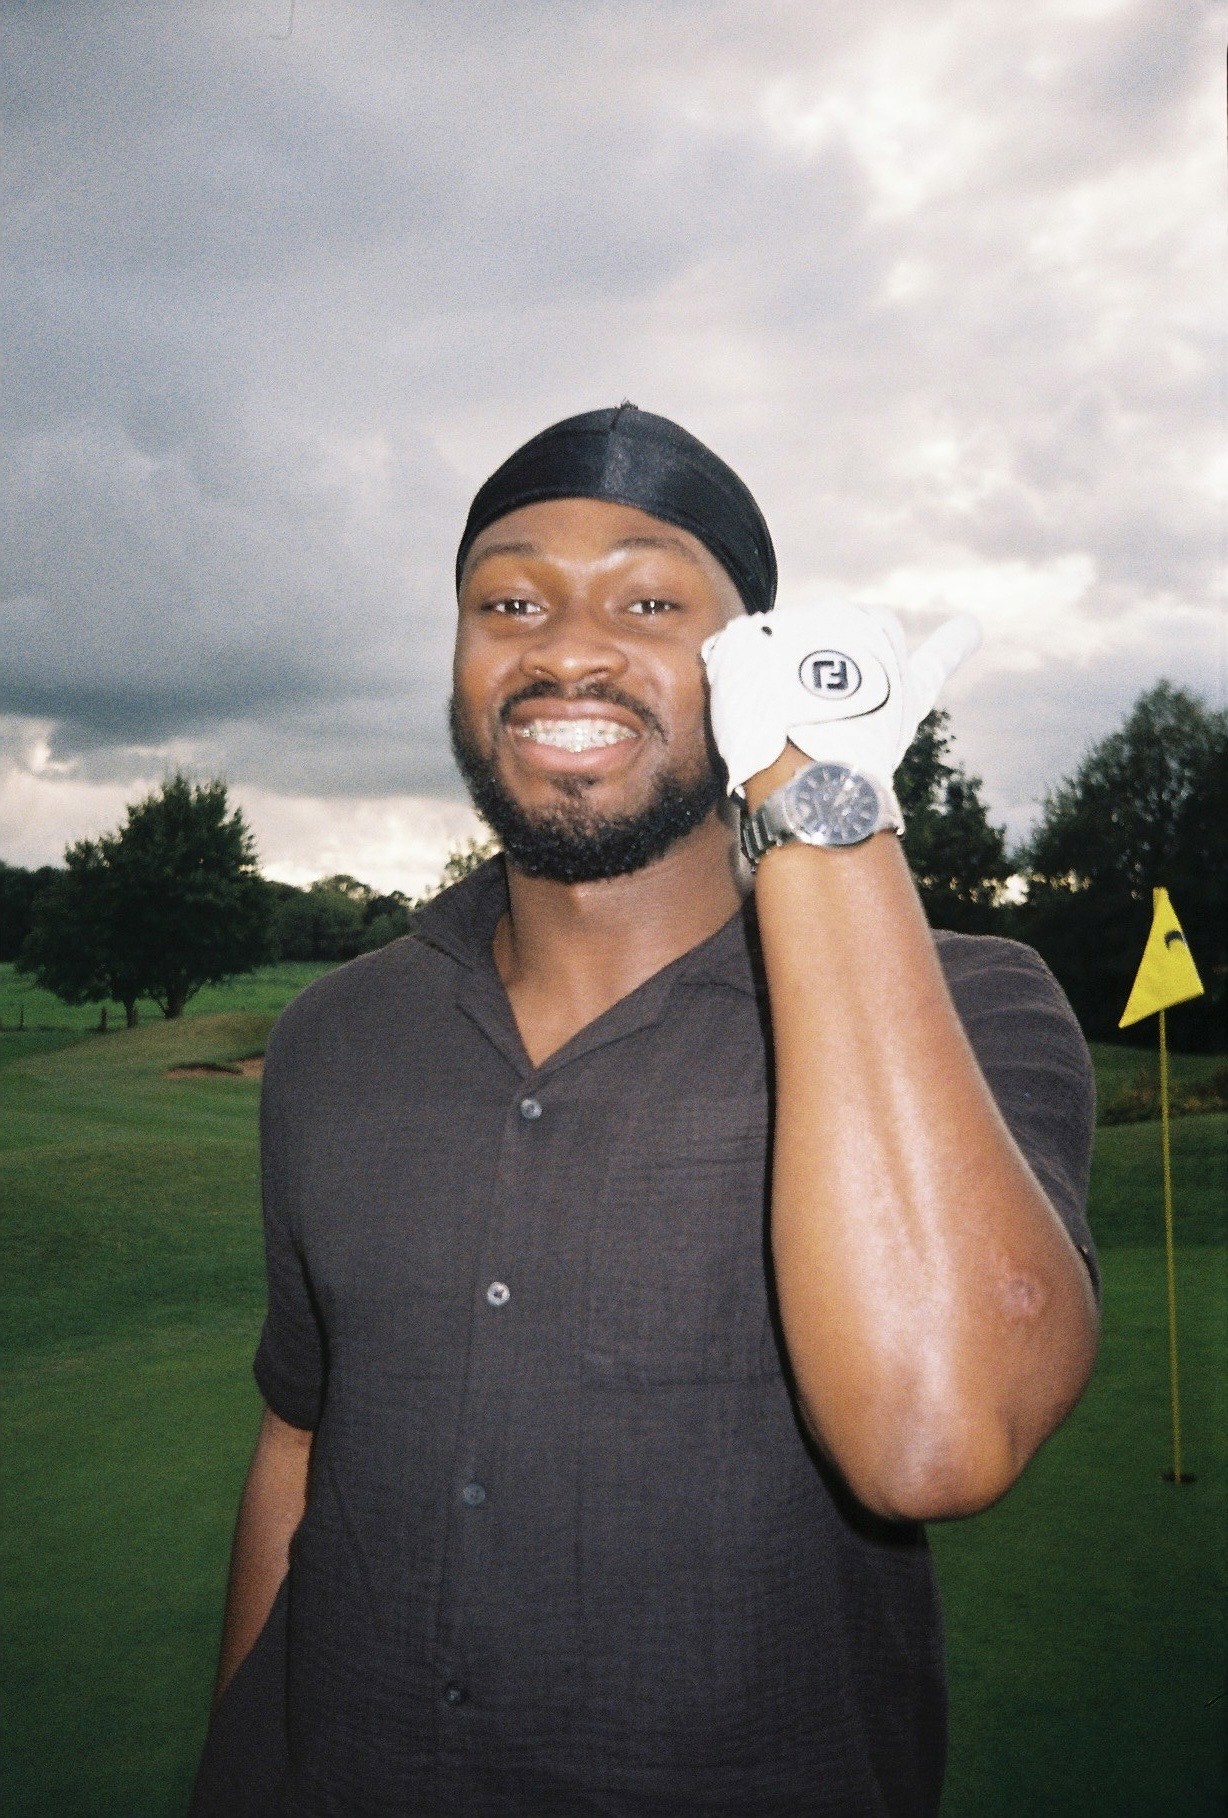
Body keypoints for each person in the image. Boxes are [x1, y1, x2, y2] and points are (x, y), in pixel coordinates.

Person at [190, 404, 1099, 1817]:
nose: (565, 647)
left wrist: (818, 785)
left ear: (751, 655)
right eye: (509, 600)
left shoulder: (973, 1009)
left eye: (650, 600)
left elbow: (937, 1434)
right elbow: (301, 1437)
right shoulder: (335, 1035)